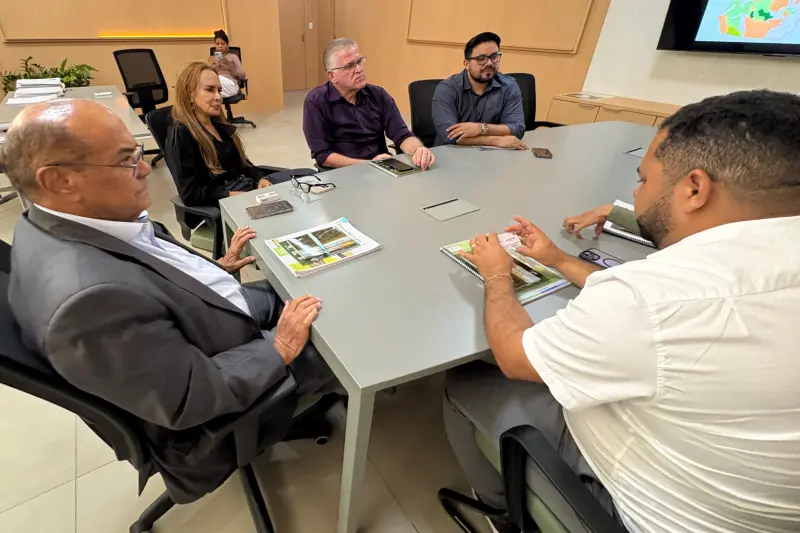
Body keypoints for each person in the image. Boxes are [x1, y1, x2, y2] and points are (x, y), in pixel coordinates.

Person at [444, 90, 800, 533]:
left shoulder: (646, 299)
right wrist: (558, 259)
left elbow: (514, 356)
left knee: (465, 380)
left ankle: (499, 513)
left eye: (643, 180)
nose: (635, 193)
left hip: (642, 513)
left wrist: (498, 274)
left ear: (694, 189)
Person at [1, 98, 337, 502]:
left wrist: (215, 268)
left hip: (211, 317)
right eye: (127, 161)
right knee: (348, 336)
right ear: (60, 181)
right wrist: (280, 348)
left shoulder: (63, 219)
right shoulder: (89, 302)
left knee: (324, 282)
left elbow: (151, 271)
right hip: (221, 374)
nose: (146, 170)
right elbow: (190, 397)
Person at [303, 38, 435, 170]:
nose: (359, 69)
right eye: (349, 66)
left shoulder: (378, 95)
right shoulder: (316, 101)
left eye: (359, 62)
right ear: (332, 76)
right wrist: (369, 164)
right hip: (344, 172)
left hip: (383, 167)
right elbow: (322, 155)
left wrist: (418, 149)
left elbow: (402, 134)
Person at [165, 61, 278, 207]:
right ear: (190, 94)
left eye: (219, 90)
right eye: (210, 90)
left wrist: (260, 179)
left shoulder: (217, 124)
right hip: (226, 204)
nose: (218, 97)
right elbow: (190, 194)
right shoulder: (182, 135)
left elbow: (242, 163)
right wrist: (229, 196)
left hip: (247, 189)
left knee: (300, 178)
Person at [431, 32, 526, 150]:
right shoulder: (447, 89)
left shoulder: (509, 86)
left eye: (494, 57)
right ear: (466, 64)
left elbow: (517, 129)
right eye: (481, 58)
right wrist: (495, 140)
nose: (489, 63)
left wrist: (481, 128)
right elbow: (450, 136)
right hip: (451, 153)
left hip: (492, 155)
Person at [209, 29, 245, 98]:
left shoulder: (233, 57)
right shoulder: (212, 58)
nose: (220, 46)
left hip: (230, 84)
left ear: (227, 45)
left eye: (223, 44)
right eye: (217, 44)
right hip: (217, 84)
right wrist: (211, 66)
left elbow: (242, 76)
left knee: (212, 89)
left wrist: (228, 64)